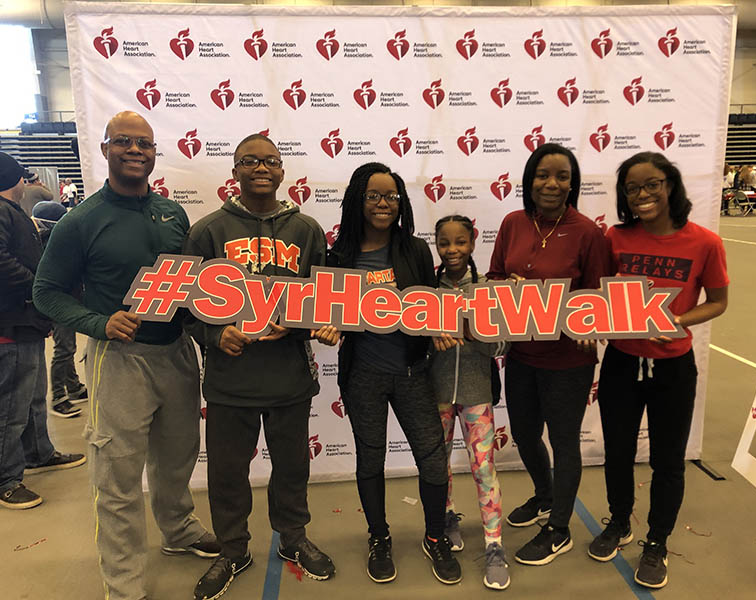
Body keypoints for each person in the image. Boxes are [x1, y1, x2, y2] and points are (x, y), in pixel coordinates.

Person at [33, 111, 219, 600]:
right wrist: (99, 323)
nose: (136, 150)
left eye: (145, 143)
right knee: (116, 477)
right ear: (105, 149)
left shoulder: (172, 213)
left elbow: (192, 286)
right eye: (124, 142)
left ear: (155, 153)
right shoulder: (80, 221)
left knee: (176, 458)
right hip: (118, 360)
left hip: (177, 354)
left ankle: (177, 530)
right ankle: (124, 583)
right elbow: (47, 292)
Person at [184, 133, 338, 599]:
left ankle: (293, 539)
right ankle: (233, 549)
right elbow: (185, 301)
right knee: (227, 473)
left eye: (270, 160)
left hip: (289, 375)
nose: (261, 167)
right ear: (234, 172)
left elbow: (321, 297)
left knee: (292, 467)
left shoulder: (306, 229)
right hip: (231, 379)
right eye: (249, 160)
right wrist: (214, 333)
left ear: (282, 171)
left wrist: (314, 324)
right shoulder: (207, 230)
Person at [589, 151, 728, 590]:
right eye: (632, 188)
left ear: (670, 185)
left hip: (673, 369)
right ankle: (618, 522)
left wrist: (676, 322)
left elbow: (719, 301)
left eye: (652, 184)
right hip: (621, 363)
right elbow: (599, 295)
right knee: (617, 452)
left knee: (669, 462)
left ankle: (657, 541)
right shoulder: (615, 237)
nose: (642, 194)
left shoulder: (704, 242)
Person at [328, 162, 461, 585]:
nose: (384, 204)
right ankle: (379, 536)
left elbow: (430, 304)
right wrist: (330, 327)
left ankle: (435, 536)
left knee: (433, 460)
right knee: (370, 460)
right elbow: (330, 313)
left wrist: (437, 326)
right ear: (357, 199)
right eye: (374, 195)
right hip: (363, 374)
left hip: (412, 372)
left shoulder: (414, 249)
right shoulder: (340, 254)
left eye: (391, 196)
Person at [486, 143, 608, 566]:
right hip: (521, 354)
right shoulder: (513, 223)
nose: (551, 184)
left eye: (561, 176)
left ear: (572, 184)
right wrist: (509, 284)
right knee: (522, 434)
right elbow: (494, 276)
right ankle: (544, 495)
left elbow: (598, 295)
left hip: (568, 361)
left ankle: (559, 528)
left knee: (563, 440)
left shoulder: (588, 231)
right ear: (529, 180)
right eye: (542, 175)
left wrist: (590, 326)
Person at [0, 151, 85, 511]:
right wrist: (39, 287)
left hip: (27, 323)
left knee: (33, 397)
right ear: (13, 180)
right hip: (11, 323)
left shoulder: (13, 212)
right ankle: (6, 478)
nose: (27, 184)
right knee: (11, 406)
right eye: (23, 178)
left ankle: (38, 452)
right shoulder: (2, 211)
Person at [428, 214, 509, 590]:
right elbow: (415, 340)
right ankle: (445, 518)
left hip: (477, 394)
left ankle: (494, 545)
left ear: (473, 242)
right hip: (437, 393)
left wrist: (474, 330)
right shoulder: (427, 289)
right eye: (445, 243)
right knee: (437, 465)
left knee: (483, 467)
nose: (452, 250)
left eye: (460, 242)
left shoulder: (487, 289)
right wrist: (433, 335)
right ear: (437, 246)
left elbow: (502, 345)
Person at [31, 200, 88, 419]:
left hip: (68, 301)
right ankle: (58, 397)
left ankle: (73, 388)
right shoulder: (49, 245)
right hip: (61, 303)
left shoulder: (48, 242)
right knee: (64, 349)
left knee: (68, 346)